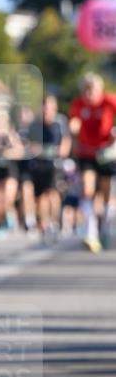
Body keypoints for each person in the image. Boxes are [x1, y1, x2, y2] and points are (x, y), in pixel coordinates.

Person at [69, 73, 116, 253]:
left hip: (105, 153)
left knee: (105, 193)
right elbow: (74, 122)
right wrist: (73, 129)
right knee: (87, 189)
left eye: (92, 89)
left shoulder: (109, 101)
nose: (89, 93)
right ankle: (91, 231)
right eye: (86, 90)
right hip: (86, 152)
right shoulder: (78, 104)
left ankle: (105, 225)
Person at [27, 94, 71, 241]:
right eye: (44, 106)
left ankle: (54, 222)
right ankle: (44, 223)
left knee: (53, 193)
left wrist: (60, 153)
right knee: (41, 197)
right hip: (39, 165)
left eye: (49, 106)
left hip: (54, 164)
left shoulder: (60, 122)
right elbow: (31, 145)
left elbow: (65, 143)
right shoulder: (35, 124)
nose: (46, 109)